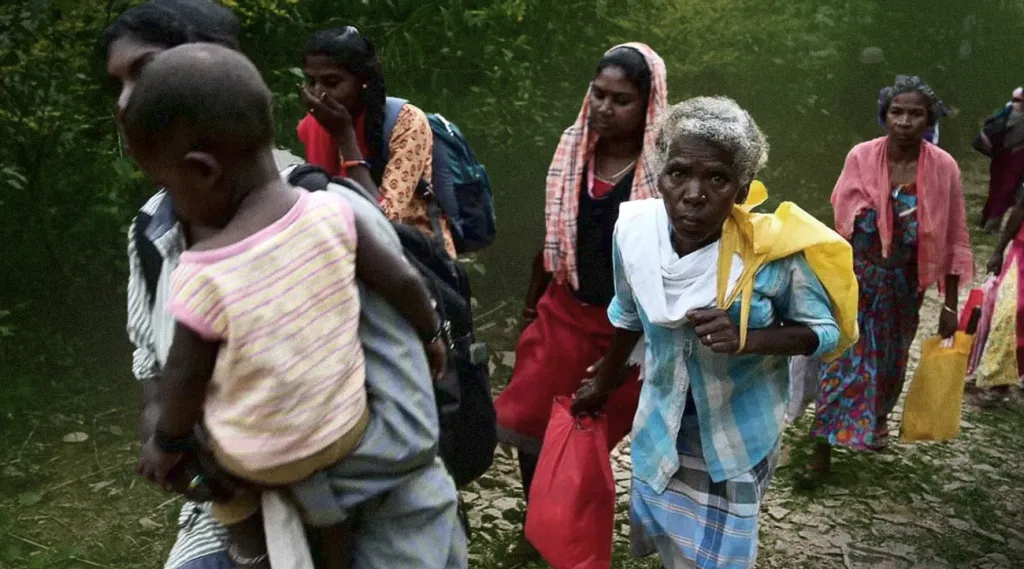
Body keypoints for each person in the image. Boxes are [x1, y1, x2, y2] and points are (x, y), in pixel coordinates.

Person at [105, 2, 466, 568]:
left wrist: (180, 443)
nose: (126, 102)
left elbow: (408, 429)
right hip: (235, 503)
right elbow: (153, 367)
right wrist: (169, 437)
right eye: (118, 84)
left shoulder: (321, 211)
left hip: (372, 508)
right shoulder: (153, 230)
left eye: (146, 74)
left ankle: (259, 549)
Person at [571, 96, 856, 569]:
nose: (693, 194)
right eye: (678, 173)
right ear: (658, 176)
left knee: (718, 558)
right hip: (662, 427)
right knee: (675, 549)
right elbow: (628, 314)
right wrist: (603, 382)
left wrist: (748, 340)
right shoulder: (636, 236)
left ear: (742, 191)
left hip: (737, 434)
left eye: (717, 179)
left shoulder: (769, 255)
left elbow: (824, 333)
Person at [492, 43, 666, 510]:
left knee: (588, 427)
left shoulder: (664, 169)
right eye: (599, 94)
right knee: (528, 417)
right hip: (565, 308)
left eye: (621, 100)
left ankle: (568, 520)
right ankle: (538, 515)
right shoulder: (574, 151)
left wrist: (623, 357)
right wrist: (529, 310)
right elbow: (554, 235)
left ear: (648, 104)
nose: (605, 108)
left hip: (627, 325)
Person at [810, 75, 973, 473]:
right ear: (884, 116)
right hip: (857, 278)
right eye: (896, 112)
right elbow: (840, 226)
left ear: (929, 119)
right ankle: (821, 447)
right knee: (842, 358)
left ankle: (875, 421)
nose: (904, 121)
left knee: (889, 363)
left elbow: (953, 238)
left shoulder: (943, 168)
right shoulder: (861, 158)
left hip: (904, 284)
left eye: (915, 113)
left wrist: (950, 306)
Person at [297, 26, 456, 257]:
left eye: (331, 82)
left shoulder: (407, 123)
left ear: (363, 81)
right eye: (311, 82)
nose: (318, 94)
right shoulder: (311, 125)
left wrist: (345, 137)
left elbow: (384, 222)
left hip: (417, 253)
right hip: (348, 247)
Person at [976, 87, 1024, 232]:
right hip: (1014, 156)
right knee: (1006, 190)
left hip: (1000, 155)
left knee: (997, 189)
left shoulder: (1006, 111)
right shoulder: (1017, 116)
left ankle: (985, 219)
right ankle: (992, 223)